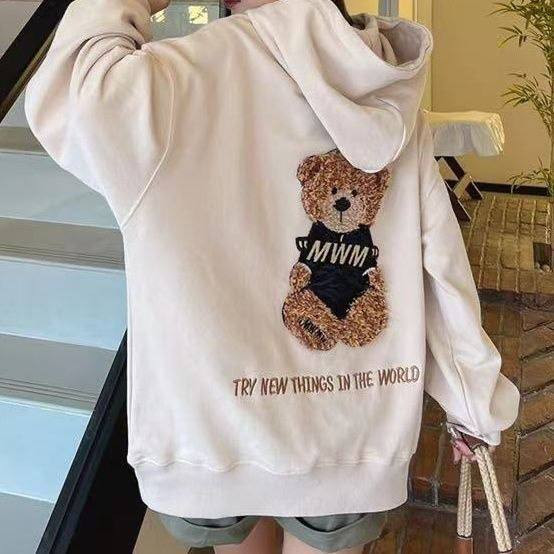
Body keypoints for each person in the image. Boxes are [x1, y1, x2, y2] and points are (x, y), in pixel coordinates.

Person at [23, 0, 520, 552]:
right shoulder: (382, 85)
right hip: (352, 428)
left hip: (210, 432)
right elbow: (438, 264)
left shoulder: (176, 80)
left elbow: (69, 92)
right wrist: (474, 403)